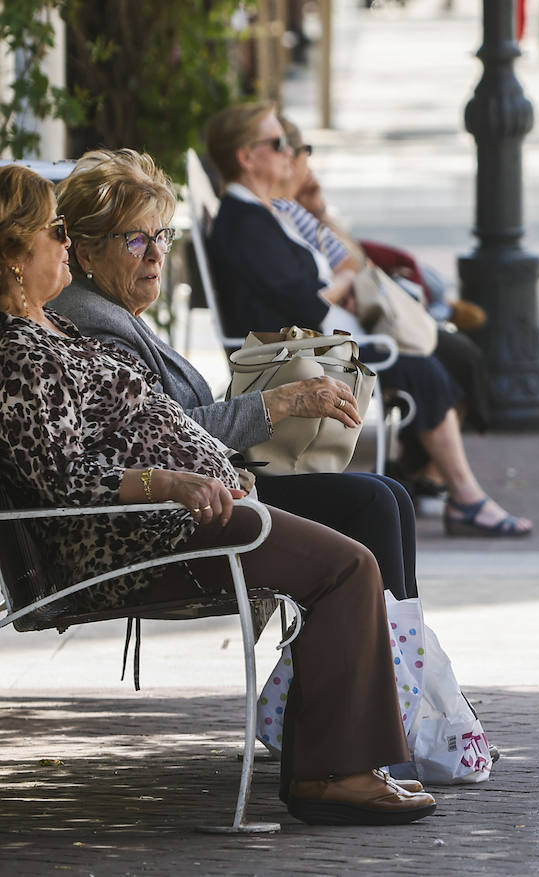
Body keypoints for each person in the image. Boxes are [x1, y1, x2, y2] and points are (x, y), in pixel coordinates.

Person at [0, 163, 435, 826]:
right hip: (141, 537)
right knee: (347, 565)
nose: (64, 243)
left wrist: (213, 470)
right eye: (53, 231)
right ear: (10, 256)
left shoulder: (45, 330)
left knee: (351, 544)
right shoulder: (17, 350)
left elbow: (122, 432)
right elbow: (60, 478)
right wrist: (168, 479)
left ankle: (344, 763)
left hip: (176, 518)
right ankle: (335, 773)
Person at [51, 147, 420, 601]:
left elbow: (166, 423)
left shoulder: (109, 310)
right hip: (168, 523)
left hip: (199, 496)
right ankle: (387, 661)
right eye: (134, 240)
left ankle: (393, 656)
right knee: (372, 503)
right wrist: (283, 401)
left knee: (390, 494)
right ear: (86, 253)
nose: (155, 255)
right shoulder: (93, 324)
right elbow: (164, 440)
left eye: (161, 236)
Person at [204, 102, 533, 538]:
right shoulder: (245, 224)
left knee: (440, 361)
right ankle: (466, 497)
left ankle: (445, 485)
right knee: (426, 372)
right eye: (279, 143)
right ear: (246, 157)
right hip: (294, 356)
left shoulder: (262, 215)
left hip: (315, 345)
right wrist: (344, 279)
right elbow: (311, 307)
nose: (290, 152)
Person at [271, 116, 495, 500]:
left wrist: (322, 216)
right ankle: (454, 488)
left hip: (359, 318)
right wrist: (343, 283)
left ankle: (427, 468)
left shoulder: (297, 210)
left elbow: (347, 261)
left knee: (454, 355)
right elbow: (320, 290)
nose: (303, 160)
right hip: (343, 334)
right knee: (436, 364)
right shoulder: (276, 214)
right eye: (299, 151)